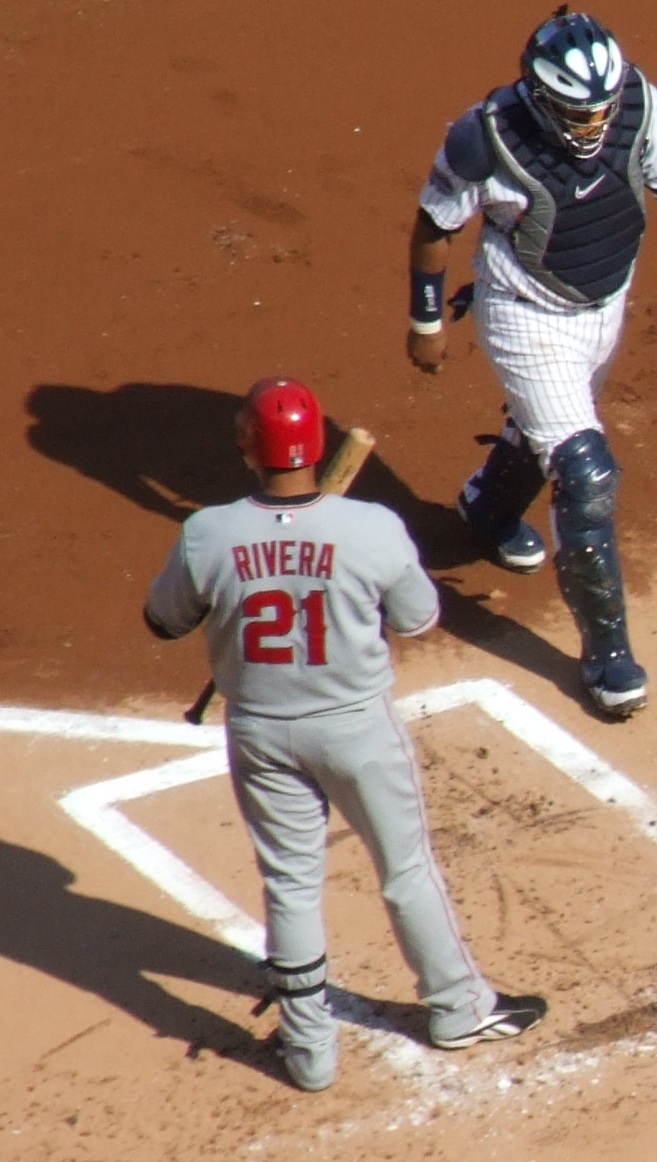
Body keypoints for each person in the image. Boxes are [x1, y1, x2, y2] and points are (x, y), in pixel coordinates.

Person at [143, 377, 547, 1092]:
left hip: (261, 734)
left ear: (247, 449)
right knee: (405, 868)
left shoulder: (207, 533)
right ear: (316, 444)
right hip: (358, 730)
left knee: (290, 884)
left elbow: (163, 620)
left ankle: (308, 1053)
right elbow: (419, 618)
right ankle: (458, 1009)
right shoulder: (372, 528)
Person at [406, 6, 657, 721]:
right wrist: (427, 320)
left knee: (551, 428)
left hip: (604, 304)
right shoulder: (484, 139)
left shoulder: (638, 105)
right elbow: (436, 224)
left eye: (602, 106)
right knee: (585, 469)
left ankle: (489, 508)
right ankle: (607, 657)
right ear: (540, 95)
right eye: (577, 109)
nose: (594, 120)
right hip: (524, 313)